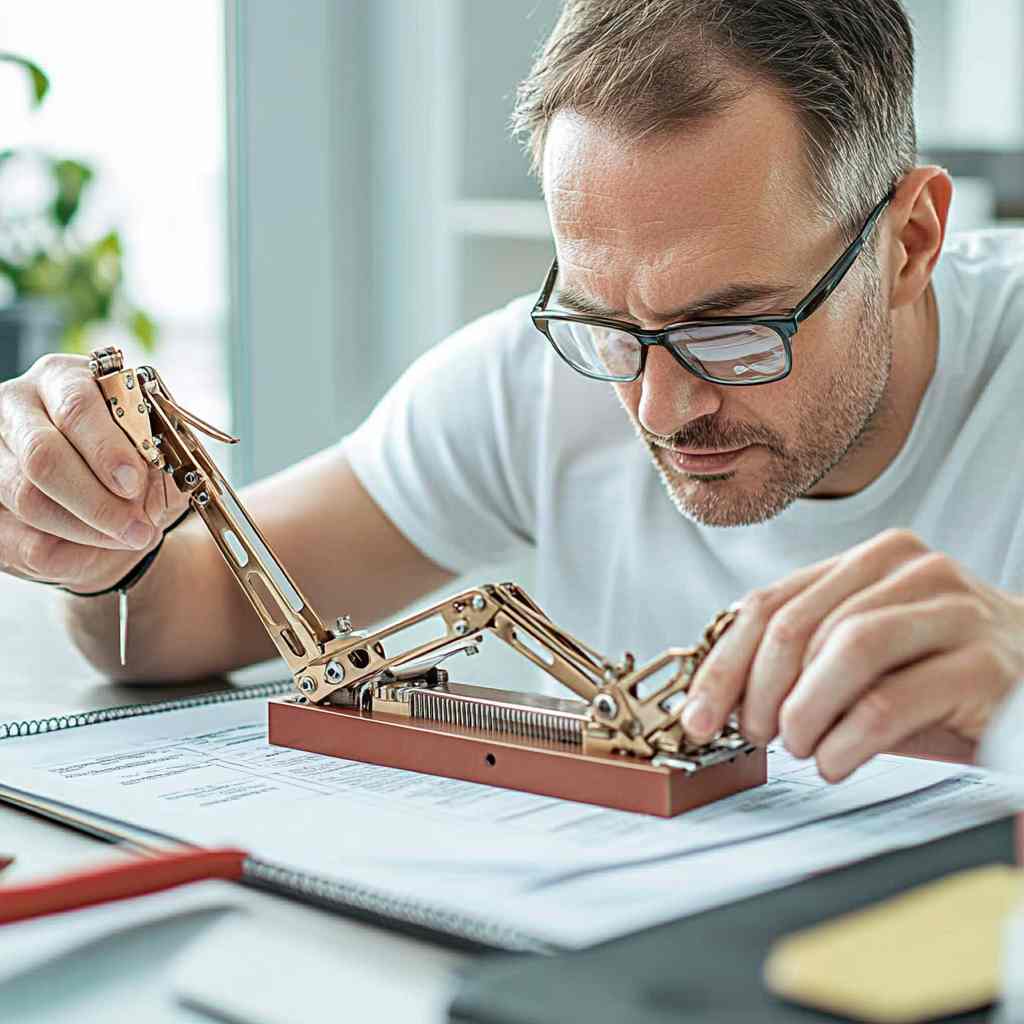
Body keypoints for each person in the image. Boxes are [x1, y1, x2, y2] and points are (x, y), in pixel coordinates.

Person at [0, 0, 1021, 783]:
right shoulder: (527, 380)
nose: (659, 410)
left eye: (726, 326)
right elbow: (192, 611)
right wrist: (91, 539)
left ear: (909, 244)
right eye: (606, 321)